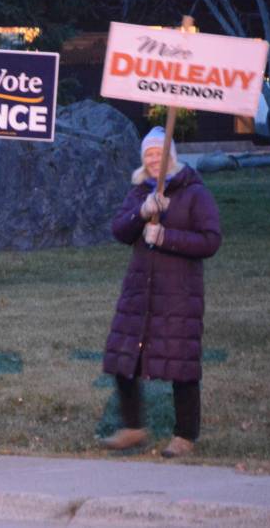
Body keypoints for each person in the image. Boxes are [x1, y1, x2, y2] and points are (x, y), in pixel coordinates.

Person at [99, 126, 222, 458]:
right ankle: (132, 427)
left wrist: (167, 238)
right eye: (148, 155)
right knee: (124, 358)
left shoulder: (195, 193)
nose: (153, 160)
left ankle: (185, 434)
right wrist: (141, 214)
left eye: (159, 154)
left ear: (171, 157)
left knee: (181, 364)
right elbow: (119, 231)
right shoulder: (141, 192)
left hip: (178, 293)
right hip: (140, 293)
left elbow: (211, 240)